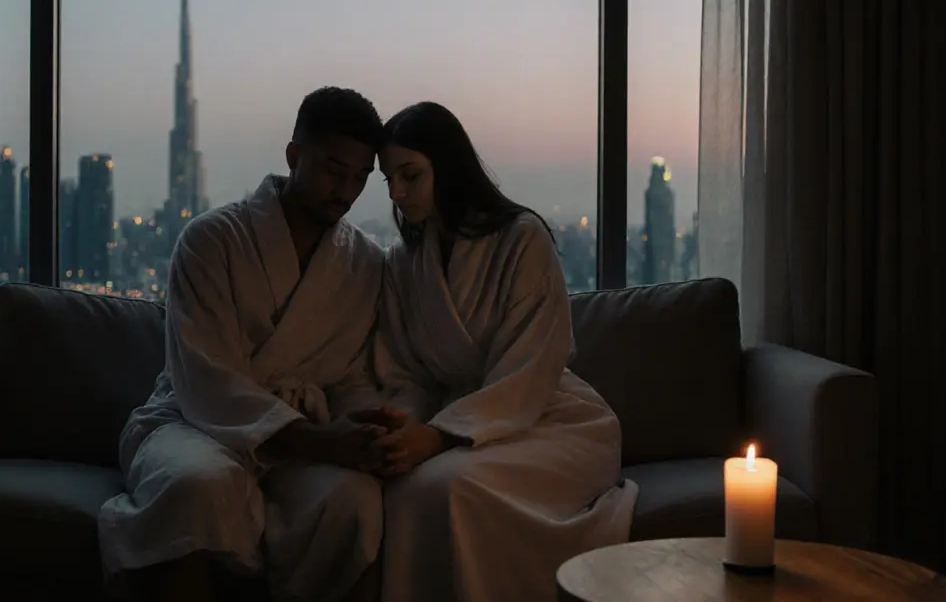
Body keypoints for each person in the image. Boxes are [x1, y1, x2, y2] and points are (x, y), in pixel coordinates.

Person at [98, 87, 396, 602]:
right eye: (333, 170)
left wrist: (364, 430)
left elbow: (355, 374)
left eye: (359, 177)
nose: (345, 191)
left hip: (306, 433)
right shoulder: (211, 240)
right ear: (294, 155)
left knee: (356, 502)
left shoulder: (365, 263)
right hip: (195, 421)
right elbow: (207, 379)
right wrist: (320, 441)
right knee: (198, 484)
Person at [368, 101, 640, 602]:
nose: (396, 193)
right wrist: (405, 427)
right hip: (452, 423)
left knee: (448, 485)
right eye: (389, 179)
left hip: (548, 418)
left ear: (448, 166)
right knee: (408, 487)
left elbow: (530, 369)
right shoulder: (404, 264)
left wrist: (439, 436)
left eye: (410, 175)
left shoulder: (522, 239)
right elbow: (404, 370)